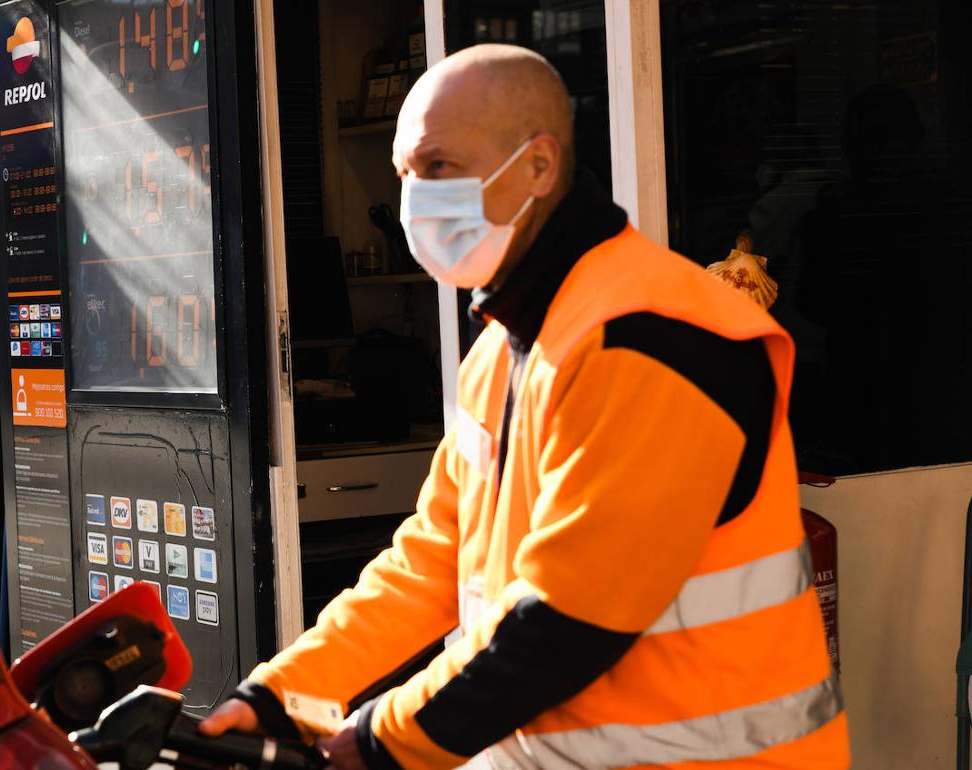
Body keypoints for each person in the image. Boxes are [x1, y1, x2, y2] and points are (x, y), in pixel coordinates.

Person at [202, 44, 849, 769]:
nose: (414, 196)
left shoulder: (652, 338)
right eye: (405, 173)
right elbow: (431, 560)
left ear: (539, 166)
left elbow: (569, 620)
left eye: (437, 166)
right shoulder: (511, 343)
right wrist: (281, 699)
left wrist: (377, 741)